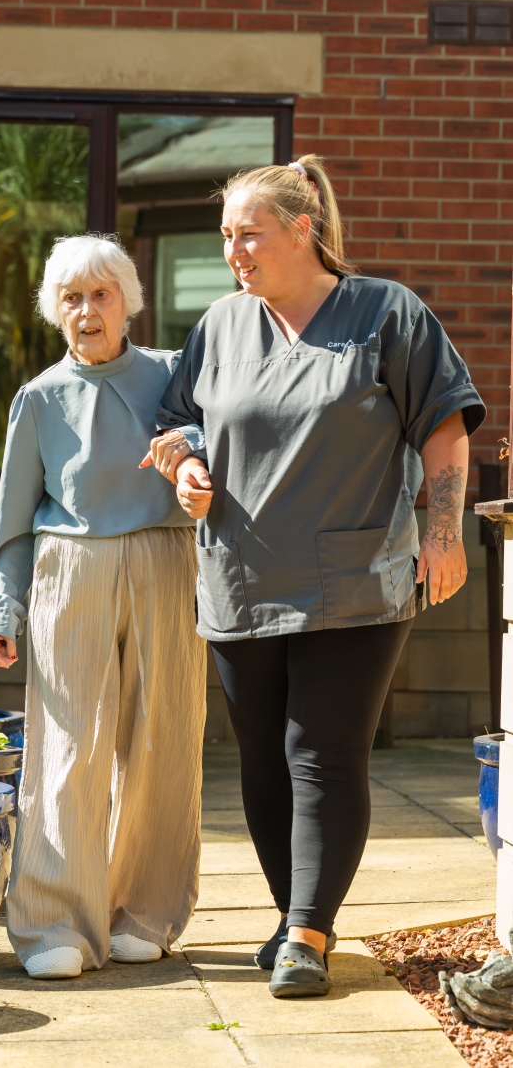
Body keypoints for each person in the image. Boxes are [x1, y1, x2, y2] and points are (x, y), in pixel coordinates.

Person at [144, 155, 485, 999]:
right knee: (262, 757)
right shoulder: (221, 325)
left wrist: (443, 531)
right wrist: (183, 465)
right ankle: (293, 911)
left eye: (249, 234)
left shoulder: (386, 313)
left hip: (357, 578)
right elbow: (177, 421)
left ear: (304, 229)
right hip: (240, 575)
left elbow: (444, 425)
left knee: (321, 753)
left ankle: (307, 932)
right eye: (226, 237)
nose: (235, 252)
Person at [0, 235, 207, 980]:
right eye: (71, 297)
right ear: (55, 309)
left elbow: (213, 435)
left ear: (127, 302)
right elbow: (14, 520)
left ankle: (146, 907)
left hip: (166, 562)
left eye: (101, 294)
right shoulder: (38, 398)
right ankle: (54, 922)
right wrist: (2, 610)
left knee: (163, 737)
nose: (87, 310)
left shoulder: (173, 375)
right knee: (67, 747)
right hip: (69, 568)